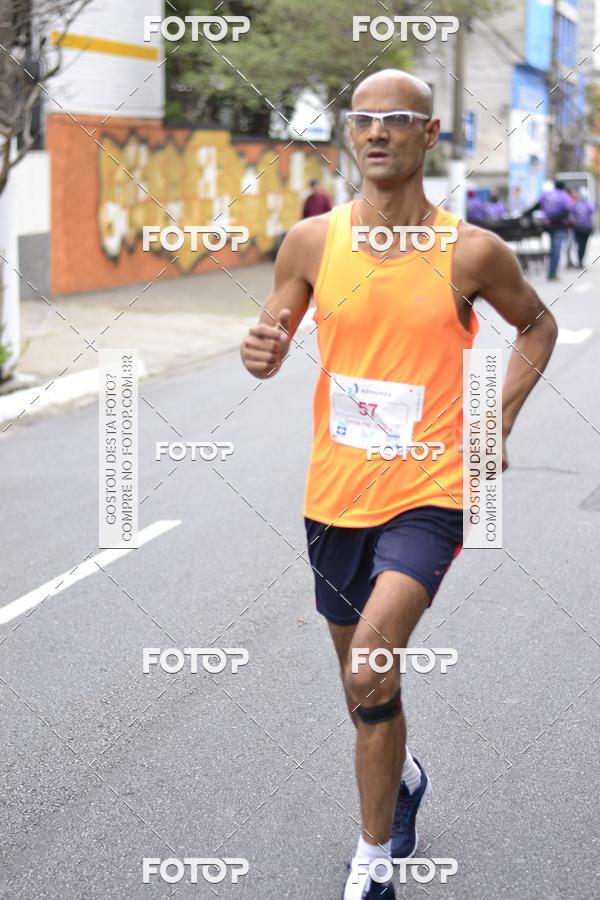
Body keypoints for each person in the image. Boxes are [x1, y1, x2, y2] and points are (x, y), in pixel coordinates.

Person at [240, 69, 558, 900]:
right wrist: (258, 350)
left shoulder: (471, 251)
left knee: (370, 664)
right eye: (363, 120)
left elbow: (537, 324)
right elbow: (271, 337)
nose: (377, 132)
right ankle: (405, 775)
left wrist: (497, 418)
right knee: (364, 686)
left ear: (430, 132)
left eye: (397, 119)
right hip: (334, 495)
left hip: (431, 491)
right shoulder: (312, 242)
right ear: (351, 135)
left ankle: (372, 865)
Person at [539, 180, 574, 280]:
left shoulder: (547, 194)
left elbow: (541, 205)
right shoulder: (564, 195)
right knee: (556, 250)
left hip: (548, 225)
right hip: (559, 225)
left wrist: (548, 218)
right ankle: (552, 273)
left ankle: (550, 271)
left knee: (552, 248)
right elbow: (567, 210)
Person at [569, 187, 595, 268]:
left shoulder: (576, 205)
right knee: (583, 245)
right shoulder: (589, 205)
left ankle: (580, 260)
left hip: (579, 228)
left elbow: (572, 216)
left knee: (580, 245)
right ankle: (580, 260)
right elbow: (592, 217)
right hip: (584, 228)